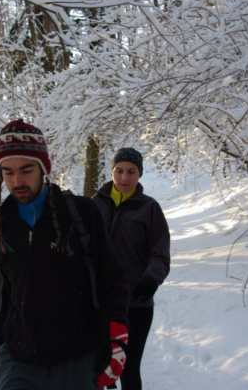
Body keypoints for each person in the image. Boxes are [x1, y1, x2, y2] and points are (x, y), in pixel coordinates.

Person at [0, 119, 130, 390]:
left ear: (44, 167)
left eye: (26, 170)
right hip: (18, 361)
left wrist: (116, 339)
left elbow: (111, 280)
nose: (17, 181)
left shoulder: (81, 215)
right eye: (7, 172)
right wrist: (0, 344)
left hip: (78, 358)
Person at [93, 148, 170, 390]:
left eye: (131, 171)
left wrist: (151, 279)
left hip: (136, 301)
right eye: (119, 171)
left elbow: (160, 253)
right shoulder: (94, 205)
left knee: (128, 367)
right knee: (97, 365)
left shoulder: (149, 209)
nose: (124, 178)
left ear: (140, 174)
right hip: (99, 302)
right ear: (111, 171)